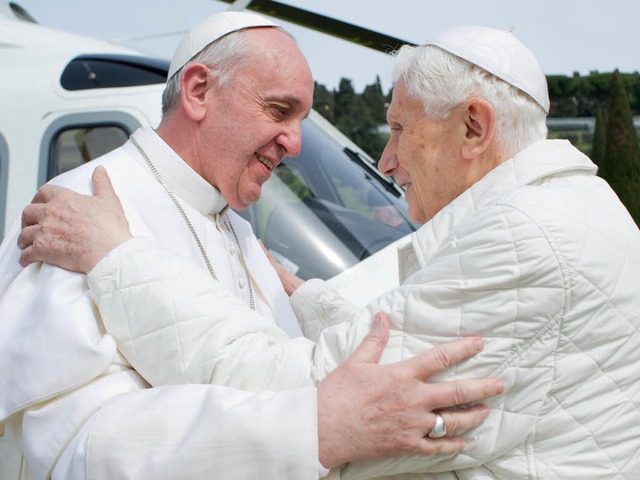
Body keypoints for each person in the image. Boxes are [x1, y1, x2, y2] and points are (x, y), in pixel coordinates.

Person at [18, 25, 640, 478]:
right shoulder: (78, 211)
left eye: (397, 130)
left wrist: (118, 262)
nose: (386, 160)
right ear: (200, 91)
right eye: (278, 110)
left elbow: (318, 387)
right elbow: (69, 447)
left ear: (474, 129)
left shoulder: (527, 239)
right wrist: (308, 303)